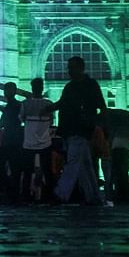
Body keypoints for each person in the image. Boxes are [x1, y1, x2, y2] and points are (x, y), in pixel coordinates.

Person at [53, 57, 106, 205]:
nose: (69, 71)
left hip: (80, 129)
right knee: (85, 165)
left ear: (81, 68)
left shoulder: (90, 85)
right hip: (72, 130)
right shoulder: (70, 87)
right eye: (68, 67)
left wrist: (99, 126)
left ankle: (60, 193)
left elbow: (102, 106)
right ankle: (93, 196)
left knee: (73, 162)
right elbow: (62, 103)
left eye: (71, 67)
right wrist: (50, 108)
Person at [20, 78, 54, 202]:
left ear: (32, 88)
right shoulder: (49, 104)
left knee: (27, 171)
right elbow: (52, 121)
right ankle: (49, 196)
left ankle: (25, 196)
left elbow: (22, 119)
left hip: (29, 142)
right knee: (47, 171)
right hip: (45, 141)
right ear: (42, 88)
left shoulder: (25, 104)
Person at [0, 81, 25, 202]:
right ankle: (14, 193)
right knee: (15, 168)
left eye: (7, 90)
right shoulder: (18, 105)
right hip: (16, 141)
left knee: (1, 166)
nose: (5, 93)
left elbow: (0, 124)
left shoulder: (10, 107)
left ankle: (10, 191)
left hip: (9, 141)